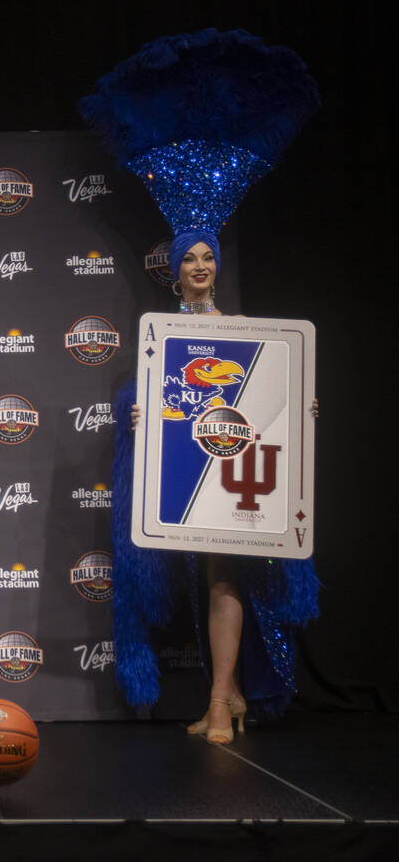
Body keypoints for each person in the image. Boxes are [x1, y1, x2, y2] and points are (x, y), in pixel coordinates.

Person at [119, 235, 320, 745]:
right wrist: (135, 412)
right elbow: (154, 403)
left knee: (222, 574)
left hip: (234, 473)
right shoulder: (159, 336)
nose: (200, 266)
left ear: (218, 267)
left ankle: (217, 706)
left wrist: (302, 409)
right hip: (186, 478)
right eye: (189, 258)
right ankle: (229, 695)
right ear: (174, 270)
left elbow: (274, 396)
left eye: (208, 257)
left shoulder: (243, 332)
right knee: (204, 581)